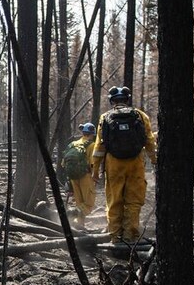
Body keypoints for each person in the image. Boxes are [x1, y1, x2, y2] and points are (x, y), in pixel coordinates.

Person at [91, 86, 157, 243]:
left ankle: (115, 236)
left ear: (112, 101)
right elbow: (149, 141)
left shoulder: (105, 117)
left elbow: (99, 146)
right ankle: (130, 236)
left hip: (114, 164)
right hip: (136, 163)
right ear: (127, 100)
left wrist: (95, 170)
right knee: (134, 201)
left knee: (114, 200)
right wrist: (155, 161)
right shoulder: (141, 116)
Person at [65, 122, 98, 230]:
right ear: (92, 133)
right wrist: (95, 175)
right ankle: (71, 212)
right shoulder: (91, 145)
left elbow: (63, 162)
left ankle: (80, 225)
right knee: (88, 203)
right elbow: (92, 163)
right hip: (85, 176)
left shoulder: (73, 144)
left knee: (80, 202)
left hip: (73, 177)